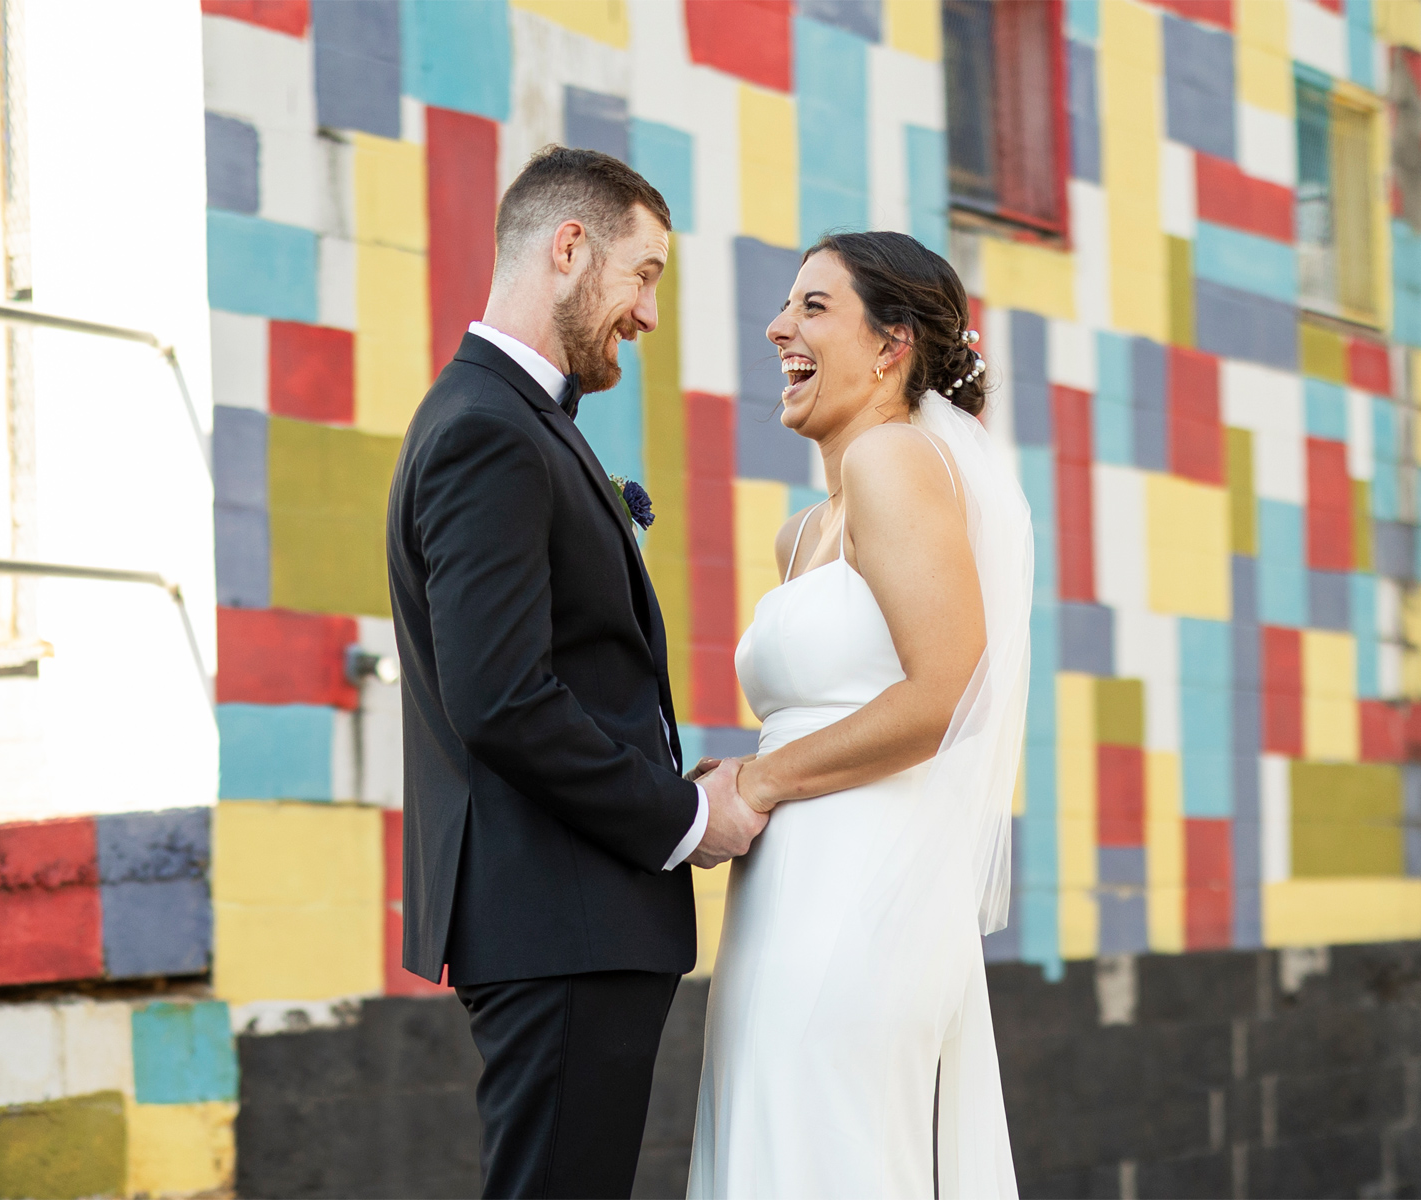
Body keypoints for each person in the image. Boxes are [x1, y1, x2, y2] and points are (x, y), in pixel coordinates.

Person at [386, 146, 768, 1200]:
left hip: (570, 920)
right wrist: (684, 822)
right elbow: (503, 699)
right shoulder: (488, 433)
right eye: (643, 273)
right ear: (568, 248)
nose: (649, 313)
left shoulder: (512, 422)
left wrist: (672, 788)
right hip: (560, 924)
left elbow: (561, 680)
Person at [687, 232, 1033, 1199]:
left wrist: (751, 784)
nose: (778, 328)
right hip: (783, 896)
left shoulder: (894, 459)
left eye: (813, 307)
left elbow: (945, 693)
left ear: (892, 348)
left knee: (826, 1156)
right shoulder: (801, 531)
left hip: (863, 896)